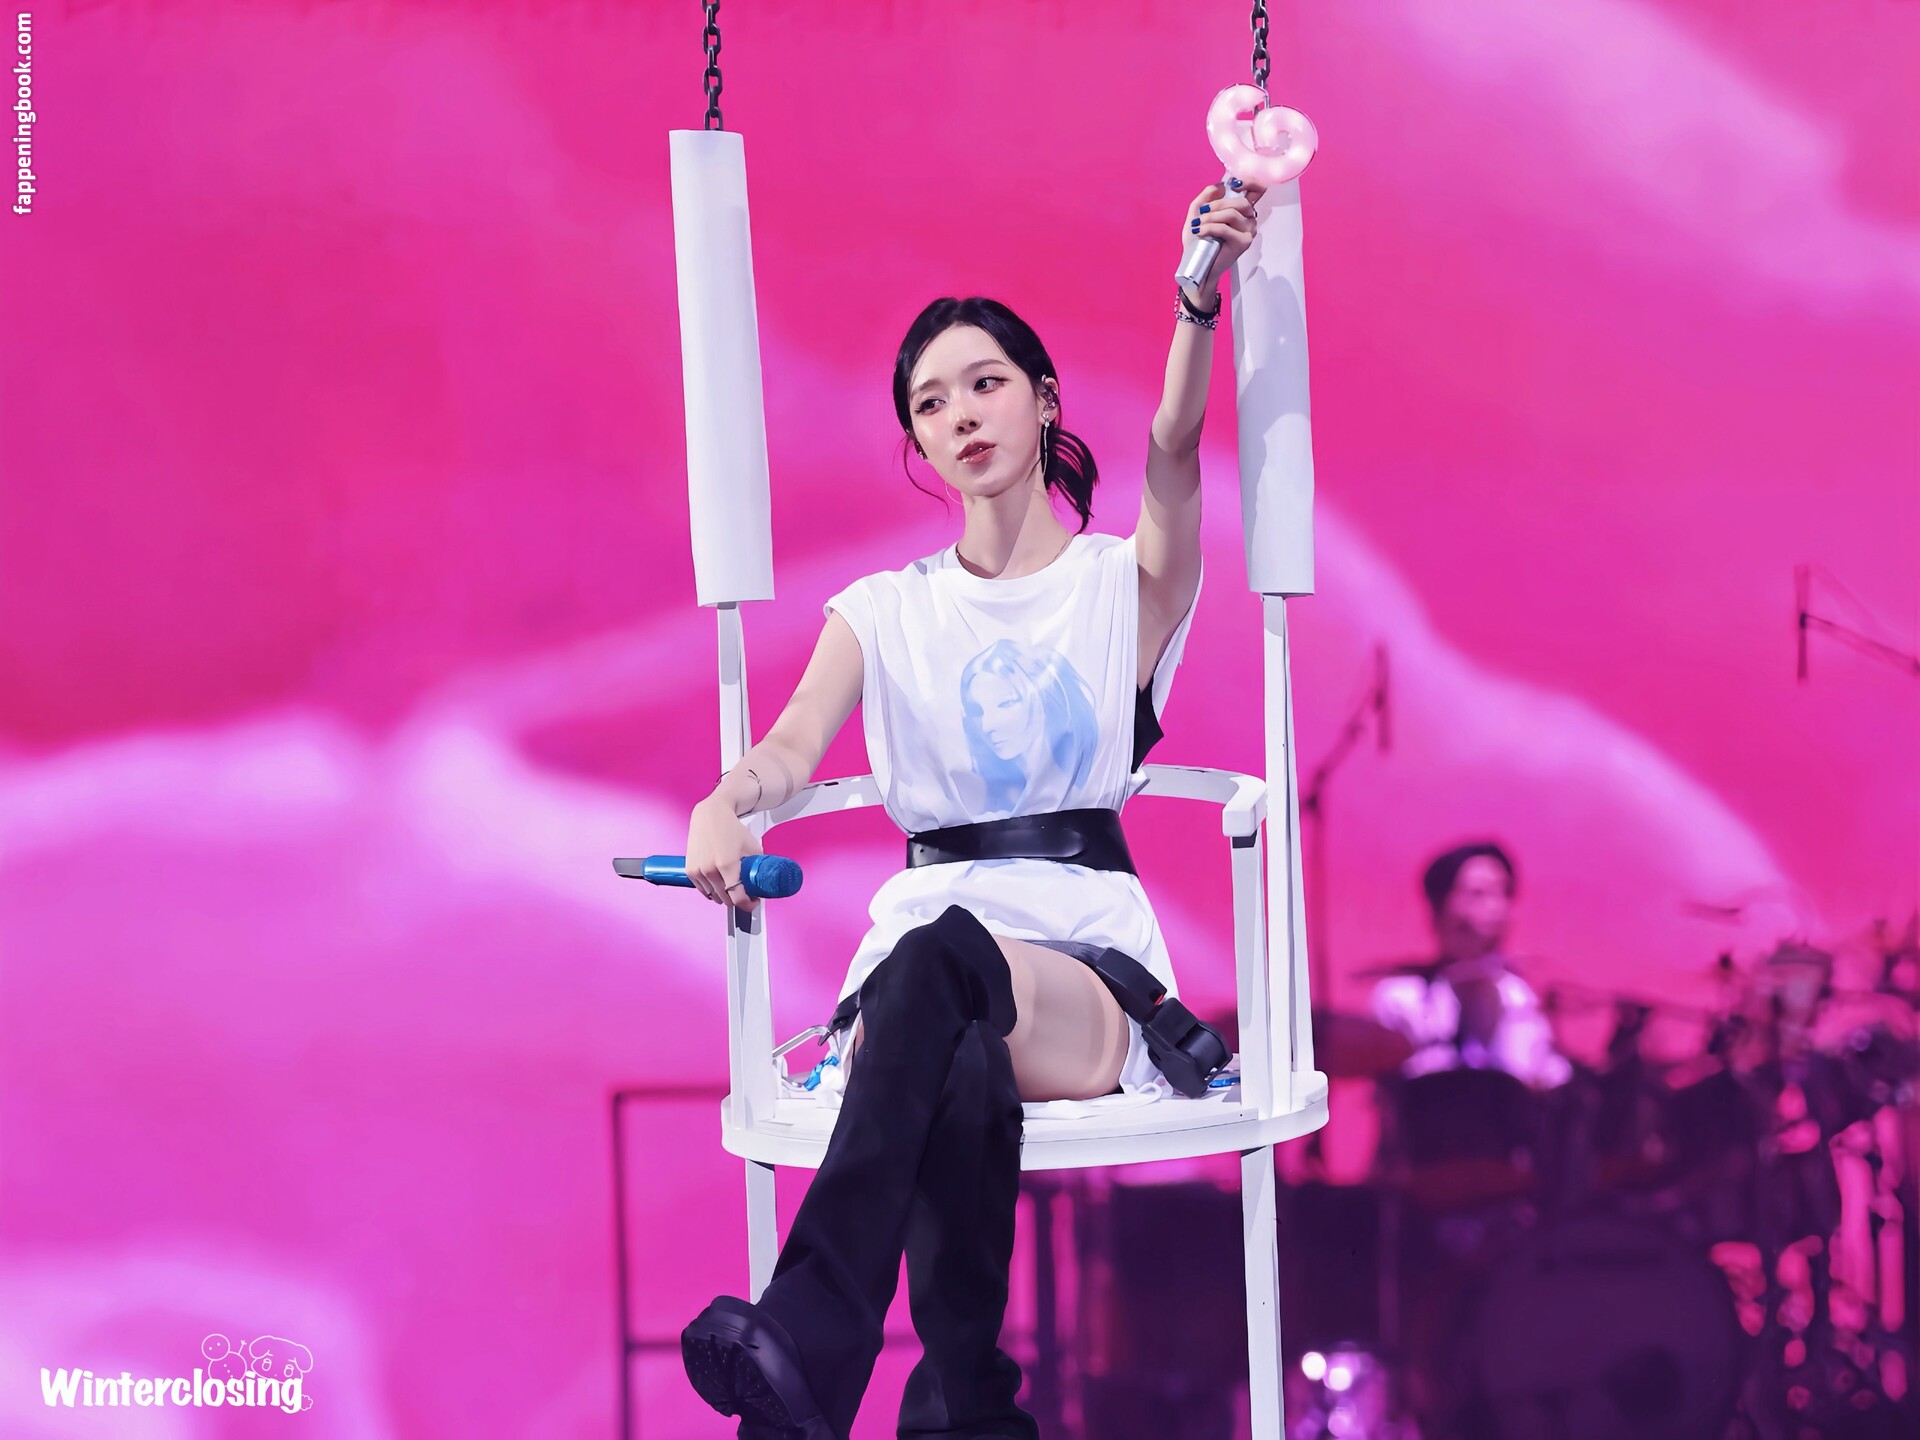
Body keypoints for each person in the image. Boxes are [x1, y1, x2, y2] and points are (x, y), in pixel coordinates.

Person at [674, 178, 1266, 1440]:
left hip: (1083, 975)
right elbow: (787, 748)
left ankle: (810, 1336)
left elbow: (1172, 456)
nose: (960, 415)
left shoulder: (1122, 587)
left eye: (985, 383)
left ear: (1044, 401)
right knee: (945, 1035)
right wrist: (727, 798)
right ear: (918, 443)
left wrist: (1195, 302)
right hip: (921, 990)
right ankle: (966, 1406)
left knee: (941, 962)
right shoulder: (882, 610)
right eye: (930, 403)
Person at [1368, 842, 1571, 1090]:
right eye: (1478, 894)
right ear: (1440, 907)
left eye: (1504, 893)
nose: (1496, 907)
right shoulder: (1402, 997)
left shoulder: (1520, 998)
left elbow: (1549, 1079)